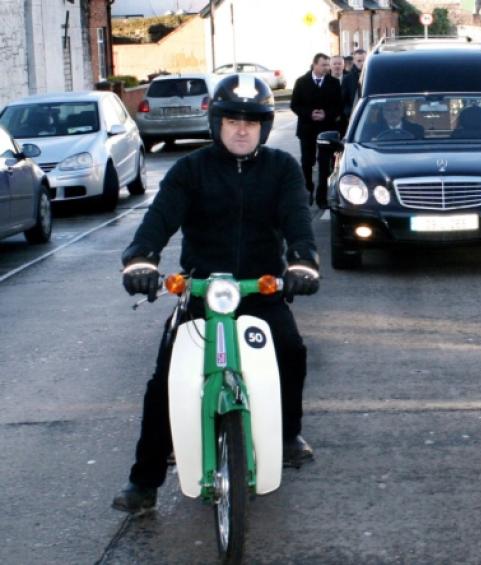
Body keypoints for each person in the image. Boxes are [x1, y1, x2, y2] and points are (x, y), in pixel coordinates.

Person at [112, 74, 321, 513]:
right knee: (166, 379)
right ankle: (144, 481)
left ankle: (287, 434)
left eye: (252, 122)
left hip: (259, 290)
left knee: (291, 350)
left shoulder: (282, 169)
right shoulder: (191, 169)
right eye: (232, 121)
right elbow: (159, 218)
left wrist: (303, 262)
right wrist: (141, 258)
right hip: (201, 292)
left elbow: (297, 220)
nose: (242, 130)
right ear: (216, 123)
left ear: (265, 127)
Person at [290, 53, 343, 208]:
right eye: (323, 65)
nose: (327, 68)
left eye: (327, 65)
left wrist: (326, 114)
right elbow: (294, 105)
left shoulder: (333, 82)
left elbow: (339, 106)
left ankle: (322, 197)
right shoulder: (301, 82)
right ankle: (307, 192)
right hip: (307, 129)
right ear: (314, 65)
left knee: (325, 164)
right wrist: (309, 114)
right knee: (307, 163)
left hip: (326, 129)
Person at [341, 49, 367, 124]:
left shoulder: (373, 76)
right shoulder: (347, 79)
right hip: (354, 116)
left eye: (364, 60)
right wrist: (349, 113)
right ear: (354, 62)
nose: (362, 63)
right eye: (359, 61)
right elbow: (343, 100)